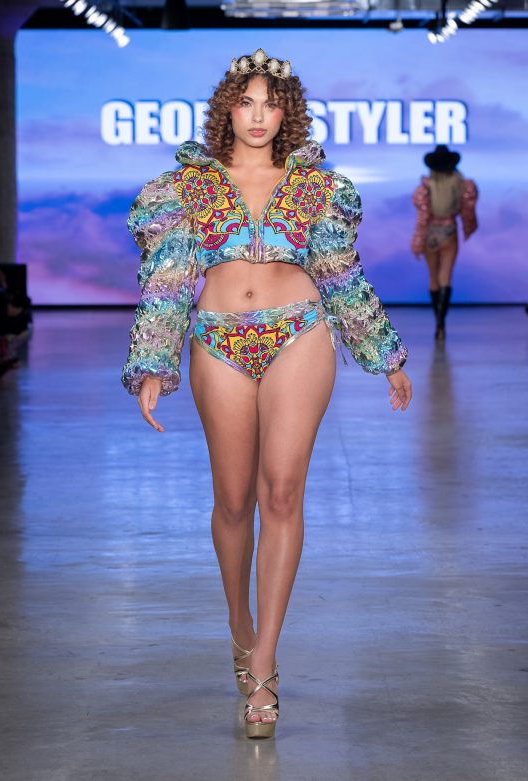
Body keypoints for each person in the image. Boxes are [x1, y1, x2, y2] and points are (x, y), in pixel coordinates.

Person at [121, 48, 412, 739]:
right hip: (217, 336)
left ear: (288, 114)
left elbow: (340, 274)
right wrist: (153, 361)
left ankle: (264, 663)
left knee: (282, 492)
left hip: (300, 331)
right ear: (227, 109)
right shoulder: (186, 186)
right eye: (246, 102)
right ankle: (239, 624)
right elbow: (168, 277)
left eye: (271, 104)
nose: (258, 116)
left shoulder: (316, 186)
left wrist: (384, 357)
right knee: (232, 499)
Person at [411, 144, 478, 341]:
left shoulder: (424, 189)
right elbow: (468, 211)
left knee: (433, 279)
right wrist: (468, 226)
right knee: (445, 278)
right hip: (449, 232)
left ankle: (438, 323)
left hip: (430, 234)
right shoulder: (461, 185)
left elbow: (422, 219)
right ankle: (441, 324)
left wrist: (417, 241)